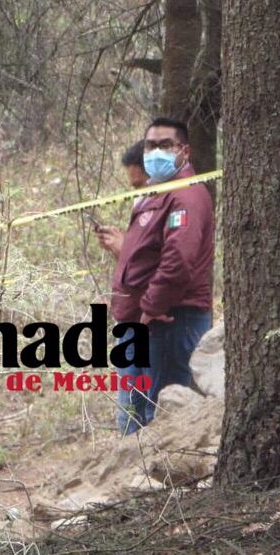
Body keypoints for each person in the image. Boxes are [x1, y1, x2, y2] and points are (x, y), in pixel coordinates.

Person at [108, 118, 214, 431]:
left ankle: (161, 480)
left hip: (168, 321)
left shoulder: (186, 196)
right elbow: (146, 255)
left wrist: (151, 307)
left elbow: (178, 261)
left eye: (165, 145)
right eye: (150, 146)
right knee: (131, 416)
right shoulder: (155, 193)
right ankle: (132, 480)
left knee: (160, 419)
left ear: (184, 149)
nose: (156, 152)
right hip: (137, 322)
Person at [94, 139, 154, 434]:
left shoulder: (166, 210)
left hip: (151, 322)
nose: (137, 194)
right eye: (132, 187)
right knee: (128, 414)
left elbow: (159, 269)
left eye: (140, 185)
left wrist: (123, 250)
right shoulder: (143, 211)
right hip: (129, 321)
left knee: (146, 413)